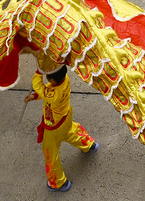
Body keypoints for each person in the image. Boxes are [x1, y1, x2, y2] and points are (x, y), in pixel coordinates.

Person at [24, 60, 97, 193]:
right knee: (70, 131)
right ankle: (88, 144)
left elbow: (40, 87)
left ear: (51, 79)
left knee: (50, 154)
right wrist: (34, 96)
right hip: (65, 116)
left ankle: (58, 182)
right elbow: (45, 92)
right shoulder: (65, 80)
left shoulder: (53, 93)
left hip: (54, 127)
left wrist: (38, 72)